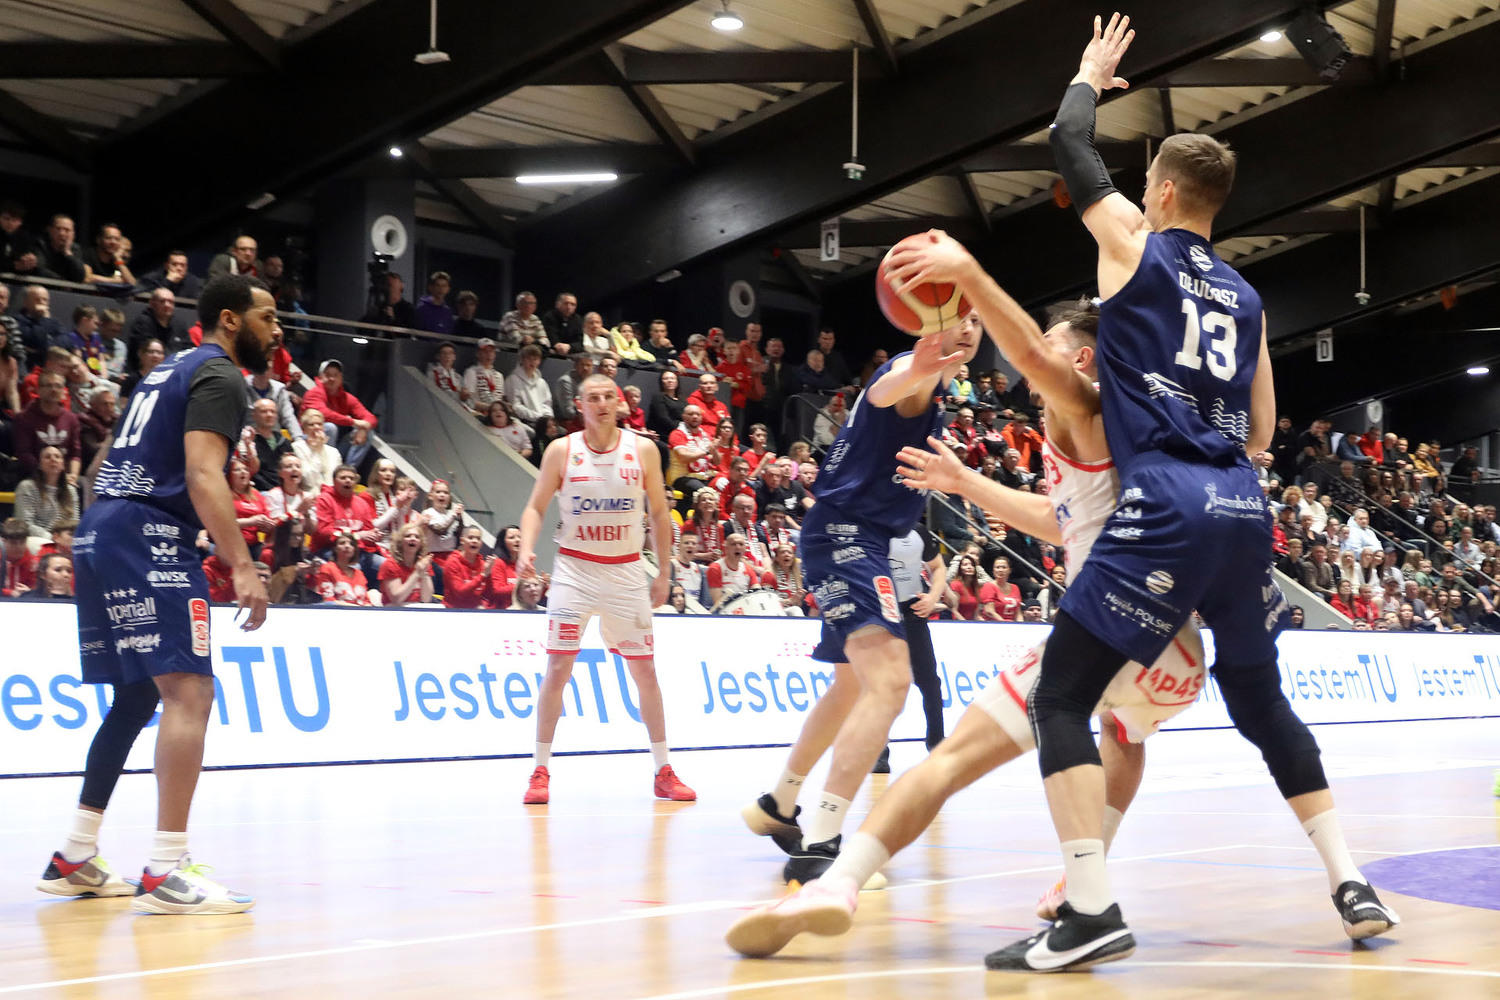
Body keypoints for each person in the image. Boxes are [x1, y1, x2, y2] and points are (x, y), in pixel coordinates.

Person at [880, 16, 1396, 969]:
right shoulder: (1247, 298)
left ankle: (1087, 907)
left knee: (1061, 696)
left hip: (1167, 498)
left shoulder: (1133, 241)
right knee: (1261, 704)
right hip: (1244, 506)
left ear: (1159, 192)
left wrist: (1088, 72)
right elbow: (1262, 434)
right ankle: (1350, 881)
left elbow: (1069, 143)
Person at [725, 305, 1207, 961]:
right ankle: (790, 806)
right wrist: (963, 475)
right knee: (1121, 732)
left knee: (942, 746)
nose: (1026, 353)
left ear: (1081, 359)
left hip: (1110, 620)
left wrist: (962, 294)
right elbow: (1057, 515)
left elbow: (903, 383)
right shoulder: (1148, 415)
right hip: (1178, 650)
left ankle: (832, 871)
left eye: (1045, 342)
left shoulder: (1083, 413)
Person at [39, 273, 272, 915]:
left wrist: (116, 525)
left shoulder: (167, 370)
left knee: (140, 693)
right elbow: (201, 473)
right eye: (268, 317)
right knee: (190, 692)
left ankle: (75, 854)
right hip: (147, 532)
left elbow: (102, 466)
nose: (278, 331)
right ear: (231, 319)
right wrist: (242, 564)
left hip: (102, 525)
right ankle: (166, 869)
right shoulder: (222, 374)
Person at [738, 316, 978, 888]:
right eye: (959, 315)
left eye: (977, 318)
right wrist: (919, 368)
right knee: (892, 682)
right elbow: (887, 388)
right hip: (848, 537)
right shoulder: (914, 372)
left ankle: (780, 803)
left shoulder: (935, 389)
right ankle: (821, 845)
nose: (970, 326)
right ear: (930, 319)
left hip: (850, 536)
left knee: (850, 686)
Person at [516, 373, 692, 804]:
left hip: (626, 571)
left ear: (619, 403)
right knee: (558, 667)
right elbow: (535, 507)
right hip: (575, 570)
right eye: (592, 397)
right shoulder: (562, 450)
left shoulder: (643, 449)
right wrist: (525, 549)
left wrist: (664, 572)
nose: (601, 403)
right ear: (580, 405)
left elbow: (658, 513)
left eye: (607, 396)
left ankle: (663, 770)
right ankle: (539, 770)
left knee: (645, 672)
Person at [379, 522, 434, 607]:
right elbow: (397, 599)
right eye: (408, 536)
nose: (413, 539)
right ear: (400, 542)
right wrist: (417, 573)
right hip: (394, 609)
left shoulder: (423, 563)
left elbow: (426, 599)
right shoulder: (390, 565)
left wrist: (424, 573)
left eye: (417, 537)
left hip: (416, 607)